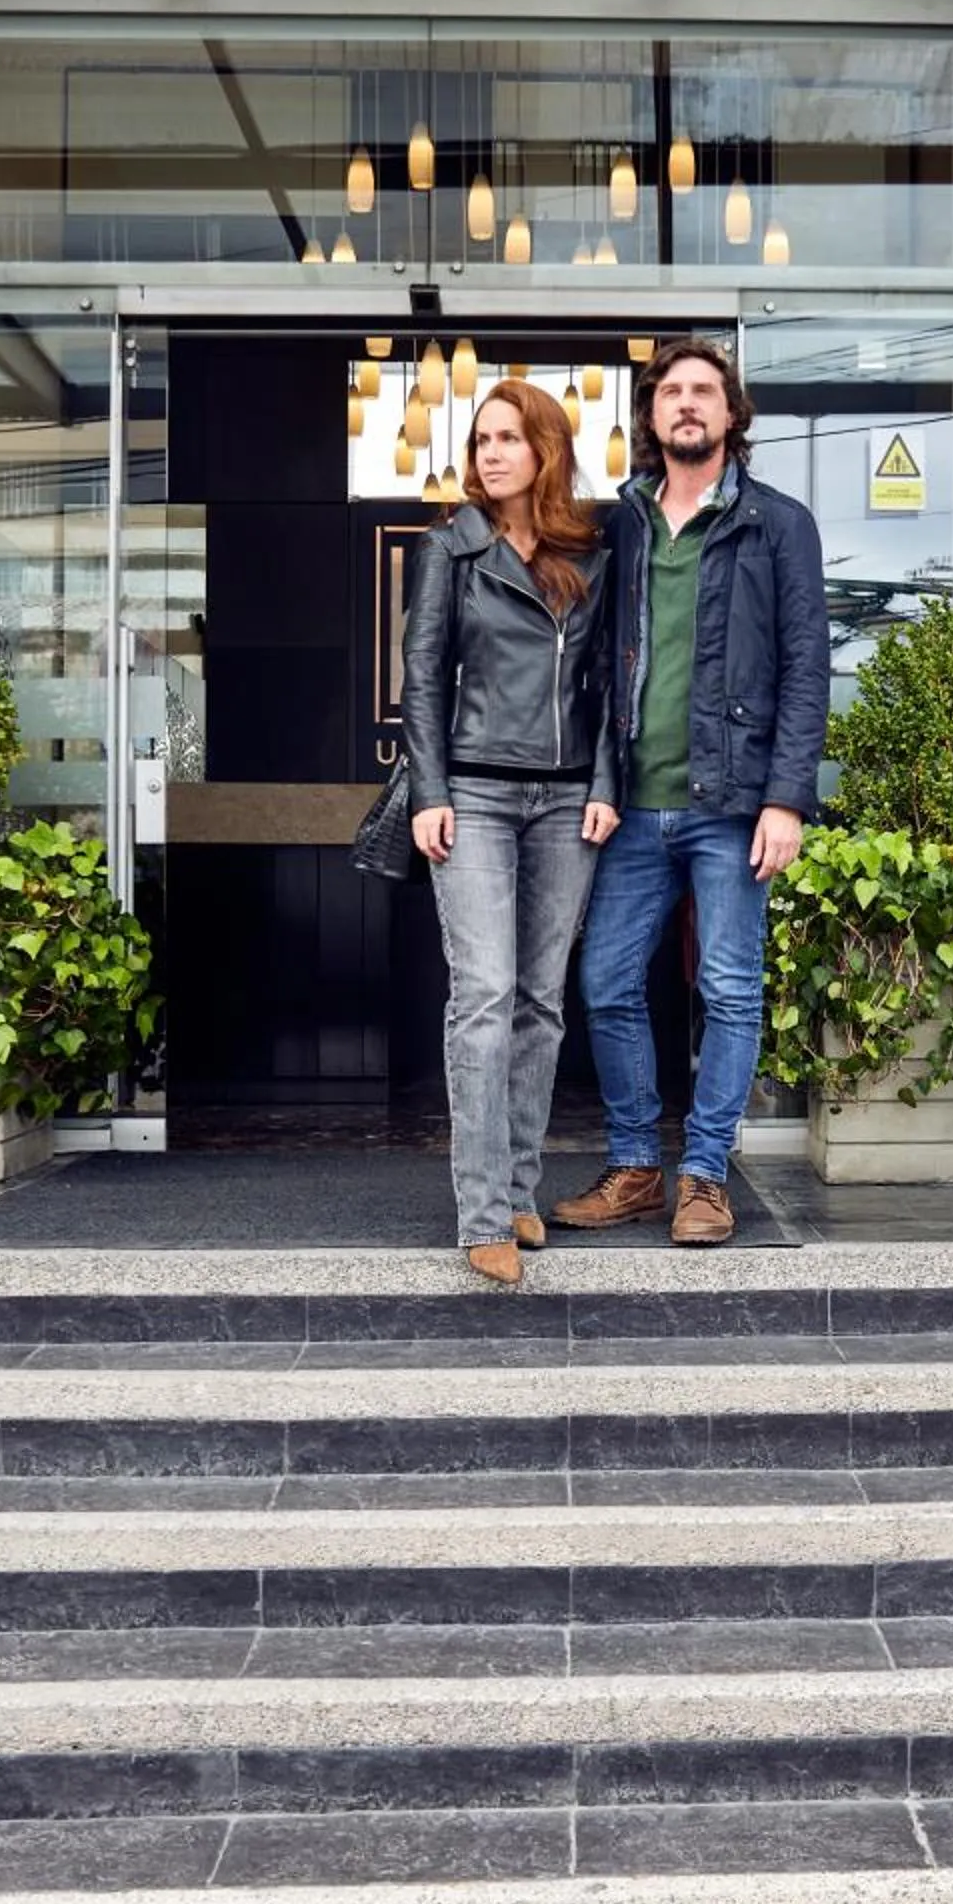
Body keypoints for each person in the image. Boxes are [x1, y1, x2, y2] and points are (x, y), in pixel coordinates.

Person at [552, 339, 828, 1247]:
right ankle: (636, 1165)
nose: (687, 405)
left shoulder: (778, 524)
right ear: (652, 415)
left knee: (731, 988)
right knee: (605, 982)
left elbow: (805, 670)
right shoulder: (620, 524)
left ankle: (705, 1176)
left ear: (732, 413)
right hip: (633, 803)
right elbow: (591, 668)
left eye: (704, 391)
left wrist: (785, 798)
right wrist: (599, 779)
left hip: (733, 805)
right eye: (671, 392)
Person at [403, 381, 621, 1287]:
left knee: (539, 1001)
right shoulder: (450, 550)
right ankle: (483, 1211)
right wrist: (429, 790)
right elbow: (421, 679)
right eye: (480, 439)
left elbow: (612, 683)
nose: (490, 453)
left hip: (569, 803)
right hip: (479, 796)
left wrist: (606, 782)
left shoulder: (591, 553)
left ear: (545, 449)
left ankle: (522, 1190)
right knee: (484, 997)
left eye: (507, 438)